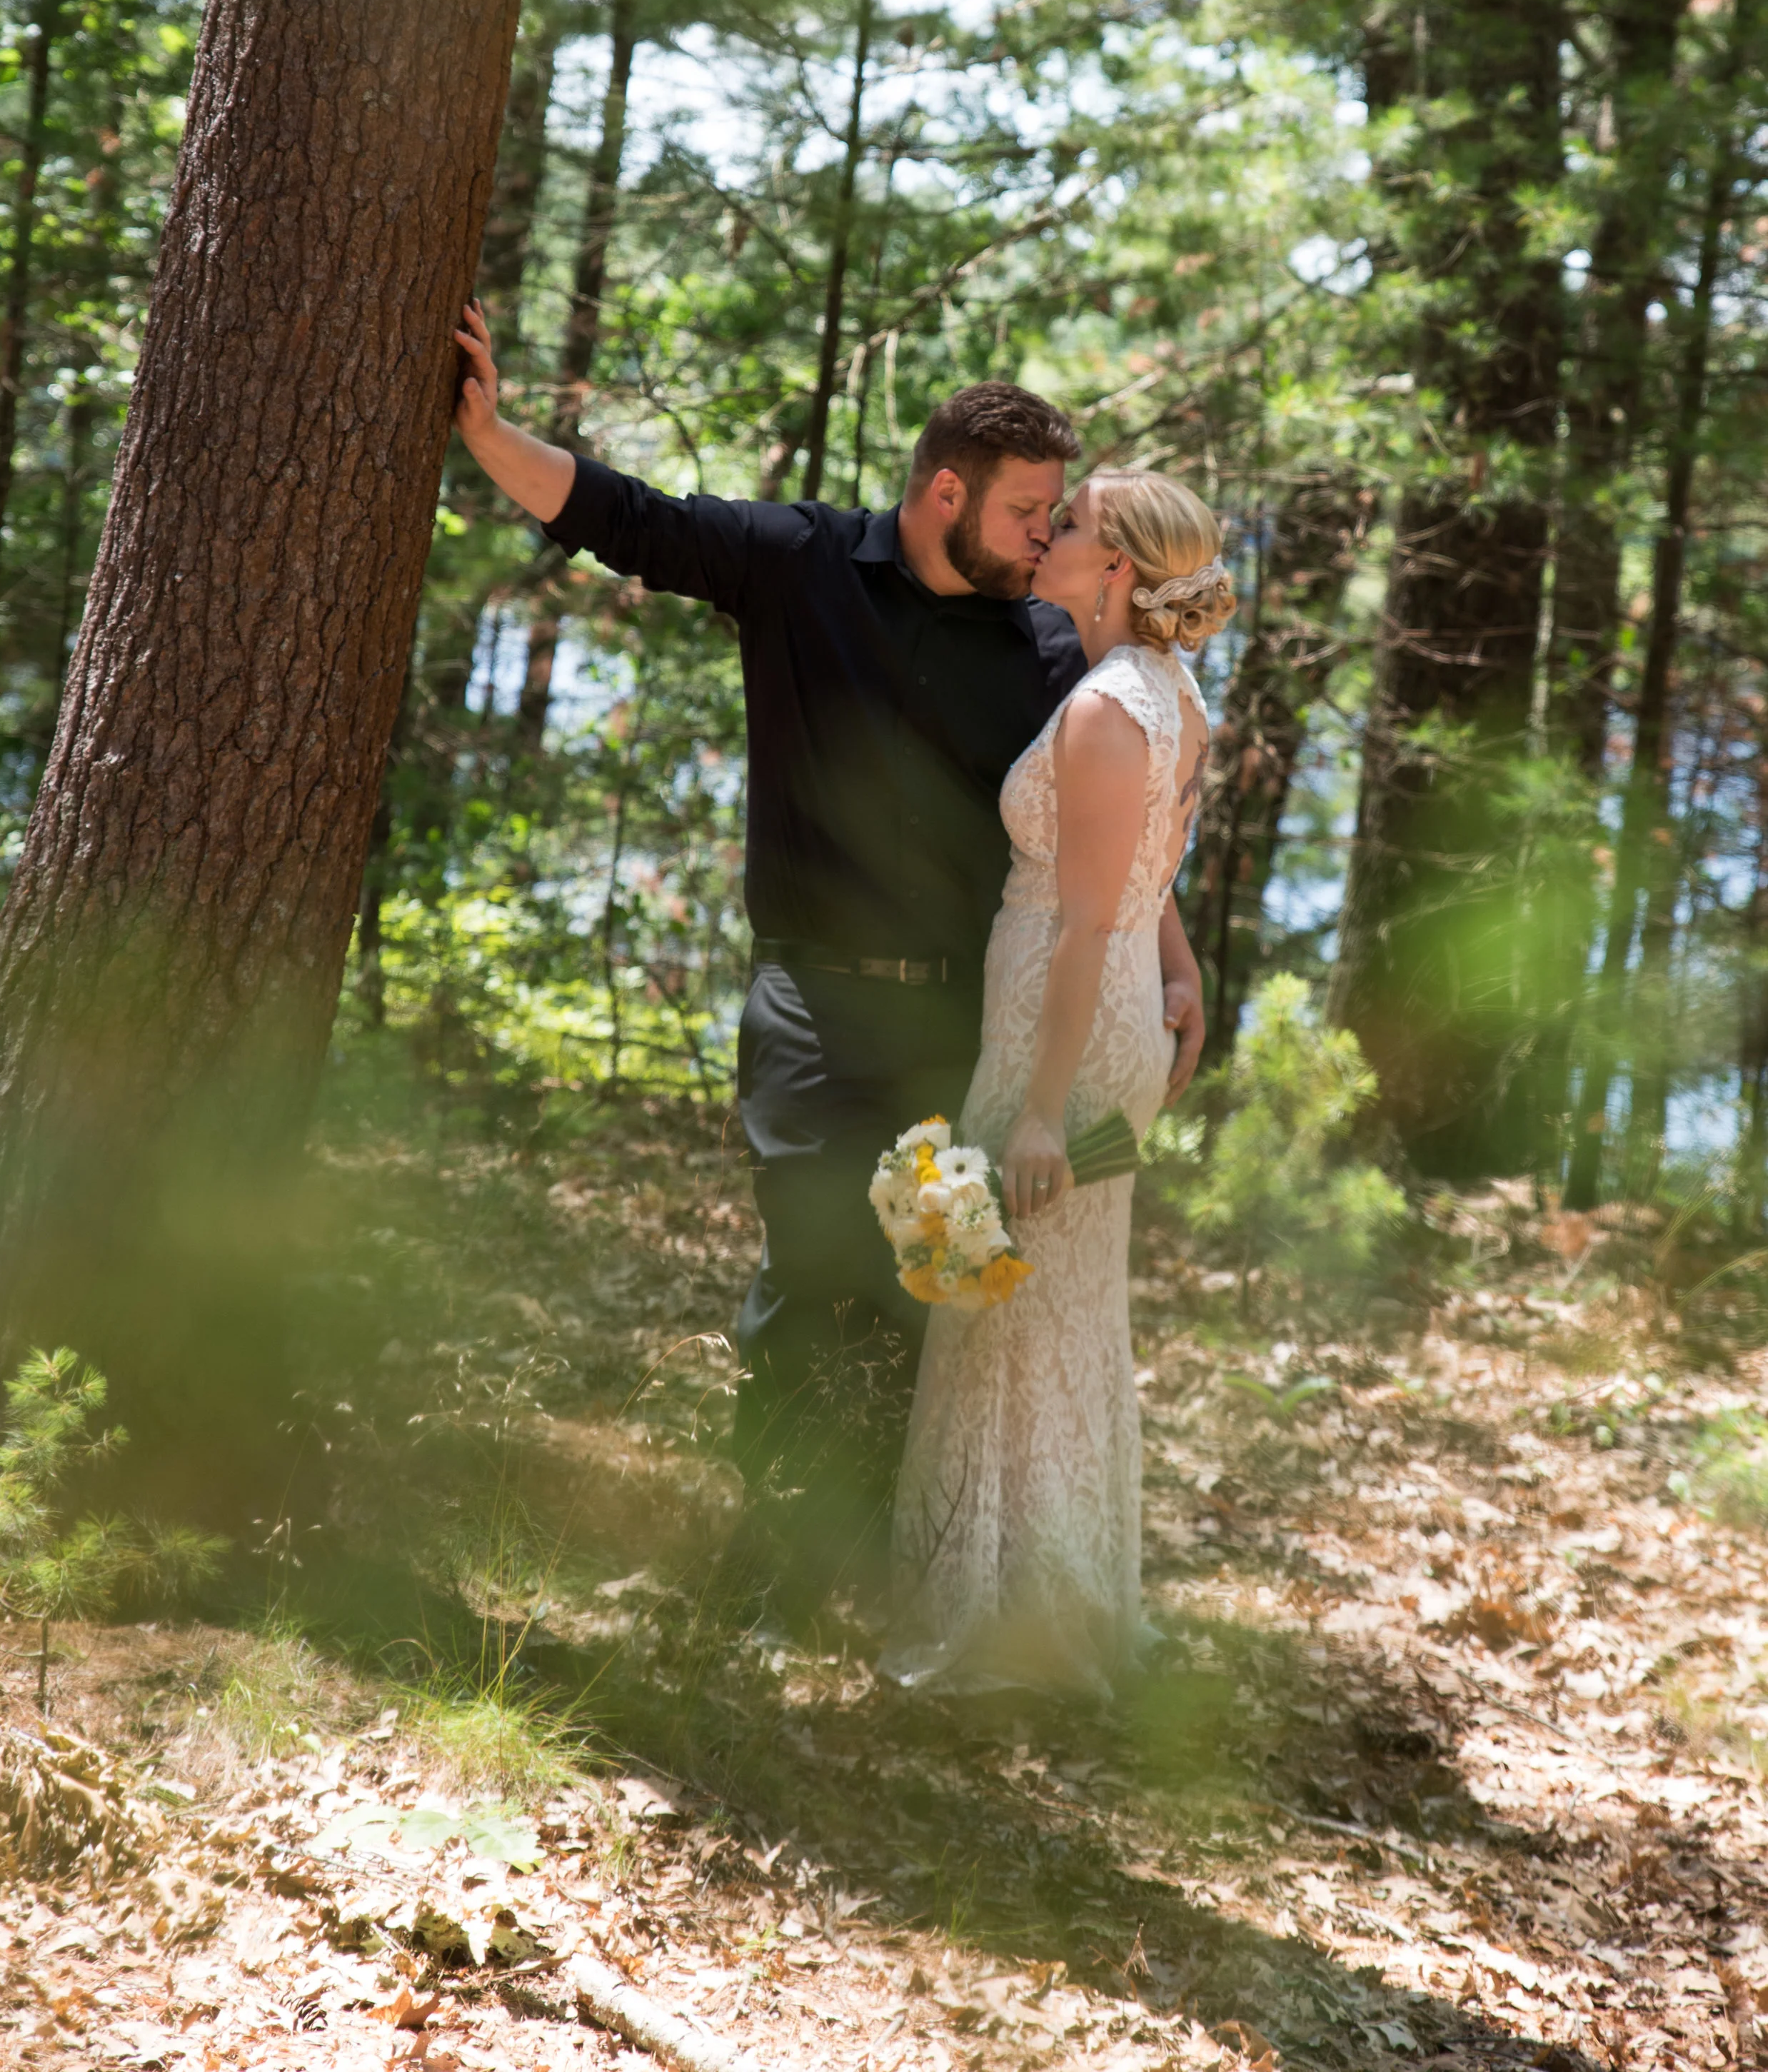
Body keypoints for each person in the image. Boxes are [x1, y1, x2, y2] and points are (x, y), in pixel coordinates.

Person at [451, 303, 1209, 1616]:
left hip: (960, 1033)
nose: (1046, 536)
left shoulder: (1047, 645)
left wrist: (1176, 957)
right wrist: (488, 436)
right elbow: (632, 518)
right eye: (1028, 511)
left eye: (1058, 516)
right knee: (810, 1271)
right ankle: (774, 1571)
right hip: (812, 1011)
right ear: (946, 492)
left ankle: (887, 1569)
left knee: (935, 1287)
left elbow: (1115, 832)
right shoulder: (802, 563)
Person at [883, 468, 1235, 1698]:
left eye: (1071, 525)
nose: (1049, 536)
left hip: (1064, 1038)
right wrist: (1184, 969)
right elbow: (1148, 871)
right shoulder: (1171, 692)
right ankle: (1055, 1600)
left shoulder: (1102, 708)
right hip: (1113, 1013)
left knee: (997, 1310)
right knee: (1056, 1314)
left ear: (1119, 567)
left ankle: (1000, 1623)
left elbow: (1088, 917)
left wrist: (1038, 1112)